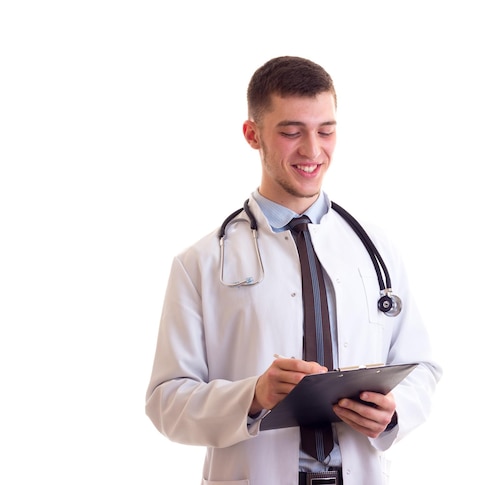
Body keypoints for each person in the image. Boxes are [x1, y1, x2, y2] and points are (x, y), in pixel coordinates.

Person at [145, 55, 442, 485]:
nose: (312, 150)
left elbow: (421, 368)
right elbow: (166, 402)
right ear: (252, 134)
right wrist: (252, 396)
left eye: (326, 131)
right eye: (291, 132)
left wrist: (395, 410)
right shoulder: (201, 263)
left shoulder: (377, 249)